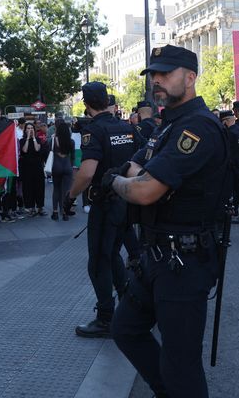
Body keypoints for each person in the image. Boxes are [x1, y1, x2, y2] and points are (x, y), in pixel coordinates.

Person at [106, 44, 228, 398]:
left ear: (190, 78)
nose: (156, 81)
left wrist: (112, 182)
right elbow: (140, 167)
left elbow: (145, 190)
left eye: (165, 74)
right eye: (153, 75)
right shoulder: (170, 125)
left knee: (181, 363)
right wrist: (126, 173)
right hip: (157, 256)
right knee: (126, 328)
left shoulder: (197, 128)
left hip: (184, 262)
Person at [64, 81, 140, 338]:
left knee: (98, 261)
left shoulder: (93, 131)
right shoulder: (127, 127)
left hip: (105, 202)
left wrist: (70, 196)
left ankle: (106, 318)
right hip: (127, 200)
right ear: (107, 101)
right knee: (113, 255)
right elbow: (142, 158)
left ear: (86, 104)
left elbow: (86, 173)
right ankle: (132, 308)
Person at [19, 122, 47, 217]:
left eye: (31, 128)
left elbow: (37, 149)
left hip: (38, 167)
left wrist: (34, 138)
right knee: (28, 187)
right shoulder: (22, 140)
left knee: (39, 187)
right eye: (28, 128)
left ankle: (40, 207)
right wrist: (27, 138)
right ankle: (31, 208)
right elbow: (24, 150)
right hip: (27, 168)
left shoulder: (38, 140)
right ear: (25, 130)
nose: (30, 130)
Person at [50, 122, 75, 221]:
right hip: (67, 166)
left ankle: (55, 212)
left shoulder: (53, 140)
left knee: (56, 189)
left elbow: (48, 152)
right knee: (66, 191)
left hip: (56, 166)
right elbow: (72, 156)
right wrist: (71, 166)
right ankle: (65, 213)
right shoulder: (71, 141)